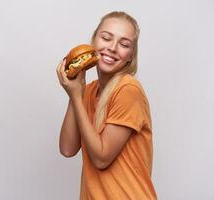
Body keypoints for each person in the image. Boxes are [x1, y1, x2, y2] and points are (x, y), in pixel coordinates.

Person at [56, 11, 157, 200]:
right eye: (106, 38)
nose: (112, 48)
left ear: (130, 56)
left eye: (124, 44)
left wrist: (77, 97)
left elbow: (101, 158)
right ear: (93, 41)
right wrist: (76, 92)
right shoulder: (87, 91)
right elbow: (67, 149)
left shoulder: (128, 89)